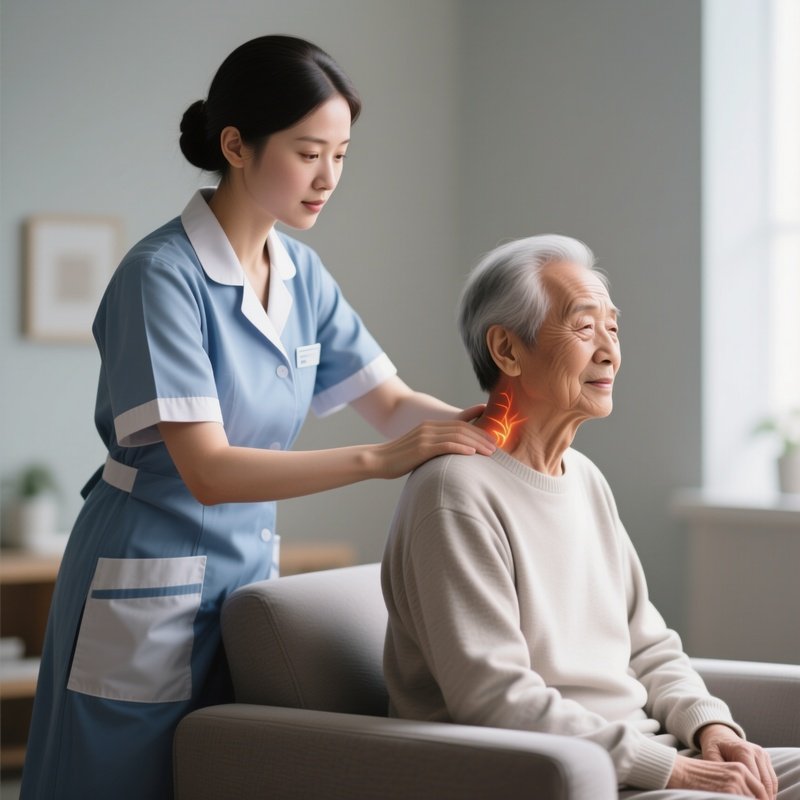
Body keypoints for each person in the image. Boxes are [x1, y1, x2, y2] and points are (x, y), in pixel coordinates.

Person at [21, 35, 494, 800]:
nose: (328, 178)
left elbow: (391, 400)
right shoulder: (162, 277)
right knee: (117, 783)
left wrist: (502, 430)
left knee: (224, 778)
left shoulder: (301, 274)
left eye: (341, 155)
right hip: (147, 571)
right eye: (309, 153)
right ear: (236, 144)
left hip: (242, 582)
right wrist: (384, 459)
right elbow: (207, 471)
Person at [382, 234, 800, 799]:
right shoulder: (453, 491)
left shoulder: (583, 477)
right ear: (506, 350)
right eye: (584, 329)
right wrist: (675, 771)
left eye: (613, 329)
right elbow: (496, 699)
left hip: (650, 758)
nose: (609, 352)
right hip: (569, 776)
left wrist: (710, 726)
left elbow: (648, 646)